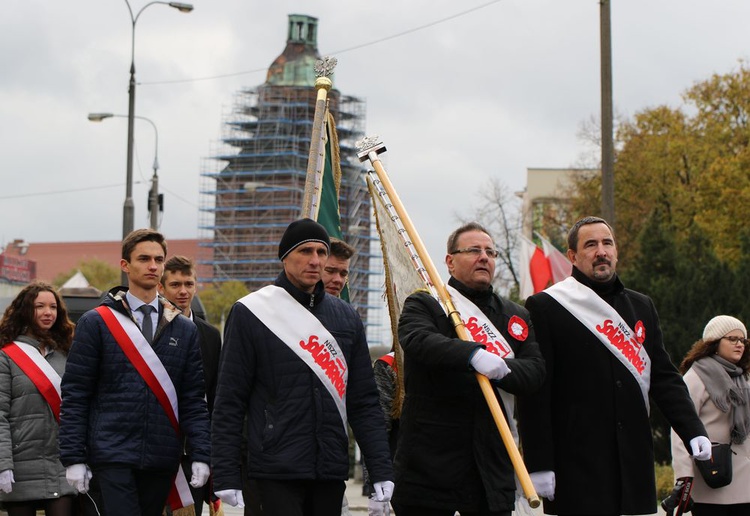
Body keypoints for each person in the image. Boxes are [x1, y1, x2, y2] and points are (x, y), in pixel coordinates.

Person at [517, 215, 711, 515]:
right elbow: (536, 393)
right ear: (573, 256)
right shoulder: (547, 306)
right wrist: (539, 464)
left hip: (632, 461)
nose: (601, 251)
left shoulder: (641, 306)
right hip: (577, 464)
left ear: (616, 252)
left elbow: (663, 377)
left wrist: (693, 429)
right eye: (591, 245)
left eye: (607, 243)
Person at [211, 218, 394, 516]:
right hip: (274, 467)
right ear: (285, 257)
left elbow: (364, 402)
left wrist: (381, 469)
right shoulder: (251, 312)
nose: (315, 261)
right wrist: (226, 471)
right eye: (305, 251)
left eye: (321, 253)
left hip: (330, 466)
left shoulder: (347, 317)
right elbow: (230, 399)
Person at [393, 222, 546, 516]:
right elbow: (419, 340)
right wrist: (472, 355)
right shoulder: (425, 303)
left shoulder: (516, 315)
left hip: (490, 468)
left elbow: (535, 370)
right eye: (474, 250)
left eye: (490, 252)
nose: (484, 257)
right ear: (450, 261)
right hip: (429, 466)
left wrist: (502, 369)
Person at [59, 229, 211, 516]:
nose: (153, 266)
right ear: (125, 265)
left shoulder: (185, 329)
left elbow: (194, 398)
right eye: (144, 259)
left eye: (158, 259)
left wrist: (202, 453)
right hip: (111, 453)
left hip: (161, 454)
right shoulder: (97, 322)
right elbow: (76, 393)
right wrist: (73, 457)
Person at [0, 282, 78, 516]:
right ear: (25, 310)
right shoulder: (7, 356)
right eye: (40, 306)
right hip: (20, 467)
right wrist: (3, 464)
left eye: (53, 307)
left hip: (60, 463)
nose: (48, 312)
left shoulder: (66, 353)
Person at [665, 315, 750, 515]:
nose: (739, 344)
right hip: (712, 480)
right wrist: (684, 475)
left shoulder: (743, 378)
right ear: (714, 342)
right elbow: (681, 427)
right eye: (732, 339)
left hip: (745, 484)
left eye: (743, 340)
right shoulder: (697, 376)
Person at [159, 255, 222, 516]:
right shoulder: (148, 329)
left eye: (188, 283)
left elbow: (215, 396)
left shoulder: (210, 335)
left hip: (193, 451)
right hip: (156, 447)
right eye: (175, 285)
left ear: (196, 285)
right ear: (161, 287)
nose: (183, 291)